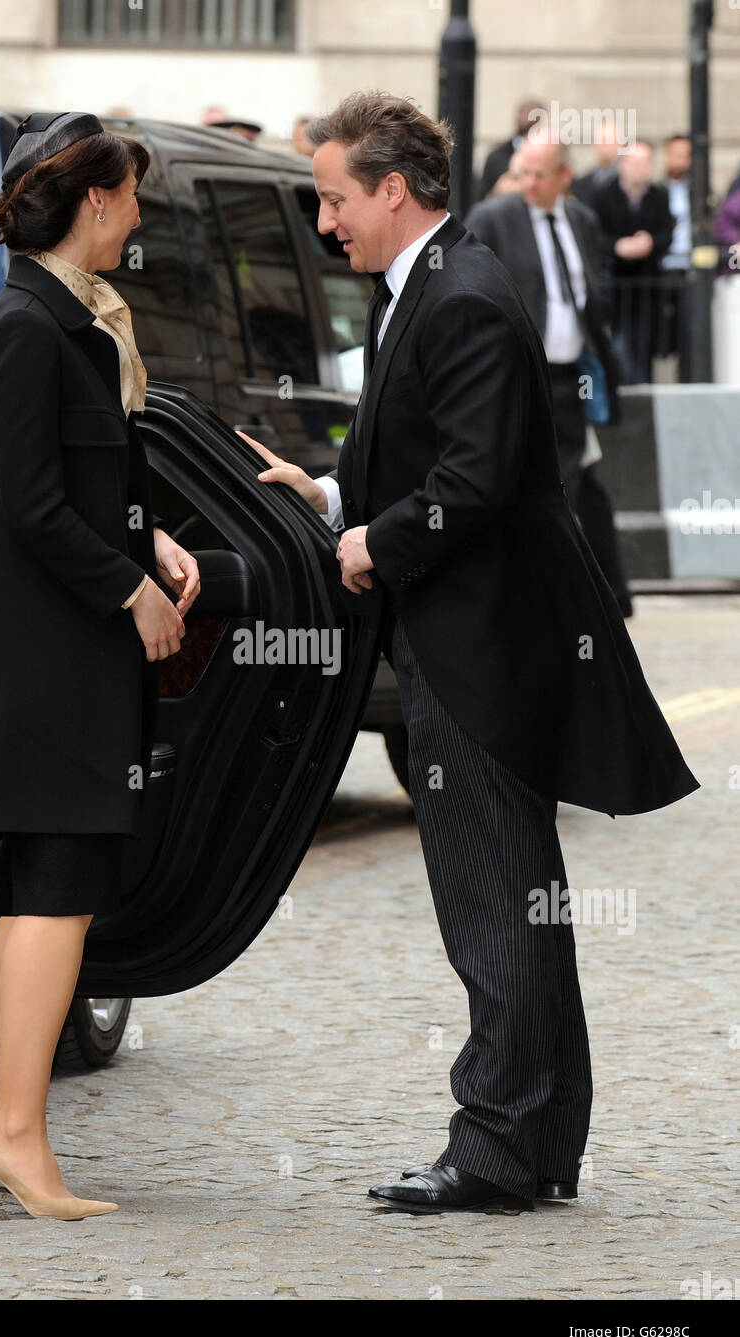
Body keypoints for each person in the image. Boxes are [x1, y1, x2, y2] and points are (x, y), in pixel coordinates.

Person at [238, 89, 698, 1214]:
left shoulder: (464, 294)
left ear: (392, 191)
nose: (325, 220)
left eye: (335, 198)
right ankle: (535, 1143)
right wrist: (335, 492)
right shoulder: (427, 291)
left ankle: (496, 1147)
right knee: (515, 898)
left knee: (495, 901)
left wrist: (369, 546)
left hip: (481, 653)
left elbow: (473, 488)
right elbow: (426, 456)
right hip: (464, 639)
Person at [0, 112, 200, 1221]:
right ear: (94, 203)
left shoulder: (65, 320)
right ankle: (16, 1136)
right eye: (131, 194)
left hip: (52, 648)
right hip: (46, 654)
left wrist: (154, 540)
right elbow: (33, 506)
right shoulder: (33, 329)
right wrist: (130, 589)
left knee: (51, 877)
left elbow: (80, 486)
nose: (140, 212)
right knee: (62, 884)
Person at [465, 134, 633, 617]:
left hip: (574, 376)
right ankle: (542, 592)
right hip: (520, 377)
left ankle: (570, 592)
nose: (529, 184)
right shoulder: (494, 218)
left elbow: (593, 288)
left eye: (540, 174)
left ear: (564, 176)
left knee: (571, 480)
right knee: (533, 480)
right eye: (522, 173)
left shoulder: (581, 219)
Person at [591, 140, 675, 382]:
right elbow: (594, 236)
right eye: (634, 162)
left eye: (645, 162)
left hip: (648, 288)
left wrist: (649, 242)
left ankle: (642, 399)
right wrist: (618, 246)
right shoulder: (603, 194)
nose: (640, 168)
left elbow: (667, 234)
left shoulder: (660, 195)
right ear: (623, 164)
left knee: (645, 347)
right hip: (614, 286)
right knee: (619, 347)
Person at [659, 134, 693, 378]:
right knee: (661, 331)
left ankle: (689, 377)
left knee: (689, 331)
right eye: (676, 153)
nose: (681, 159)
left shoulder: (700, 189)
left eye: (686, 154)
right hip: (662, 268)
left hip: (690, 268)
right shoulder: (657, 190)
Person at [474, 96, 546, 203]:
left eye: (530, 112)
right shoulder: (496, 156)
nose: (523, 117)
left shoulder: (549, 156)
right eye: (521, 112)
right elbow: (482, 196)